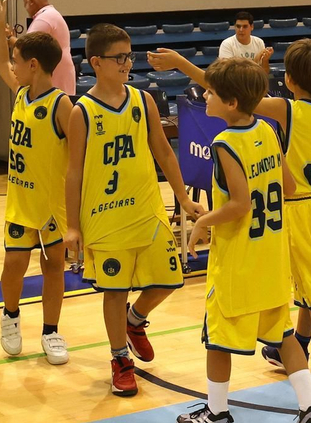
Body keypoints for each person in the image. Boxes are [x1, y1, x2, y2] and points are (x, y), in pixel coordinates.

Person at [149, 40, 311, 404]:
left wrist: (181, 63)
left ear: (289, 80)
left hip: (302, 209)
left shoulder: (285, 109)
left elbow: (231, 92)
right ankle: (295, 348)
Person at [164, 58, 311, 423]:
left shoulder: (225, 143)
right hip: (271, 256)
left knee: (217, 339)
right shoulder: (267, 130)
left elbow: (239, 204)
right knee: (283, 334)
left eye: (211, 92)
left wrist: (204, 222)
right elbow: (288, 185)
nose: (204, 96)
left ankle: (217, 415)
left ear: (232, 102)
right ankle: (310, 409)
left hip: (238, 260)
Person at [63, 23, 205, 397]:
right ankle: (119, 358)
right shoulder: (82, 111)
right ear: (96, 62)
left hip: (146, 209)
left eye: (129, 55)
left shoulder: (143, 101)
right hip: (105, 217)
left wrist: (183, 198)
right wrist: (72, 226)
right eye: (119, 57)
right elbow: (73, 172)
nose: (128, 63)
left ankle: (135, 319)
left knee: (169, 280)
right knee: (114, 290)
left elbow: (164, 152)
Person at [0, 0, 72, 364]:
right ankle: (10, 316)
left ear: (33, 64)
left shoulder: (62, 105)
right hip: (20, 201)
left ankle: (51, 331)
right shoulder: (19, 92)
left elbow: (79, 159)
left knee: (53, 267)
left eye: (18, 60)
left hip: (52, 203)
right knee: (13, 266)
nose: (11, 65)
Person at [23, 0, 77, 95]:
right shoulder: (53, 14)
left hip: (54, 74)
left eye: (25, 3)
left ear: (31, 2)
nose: (25, 8)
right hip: (62, 71)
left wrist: (8, 38)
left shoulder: (43, 19)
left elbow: (25, 48)